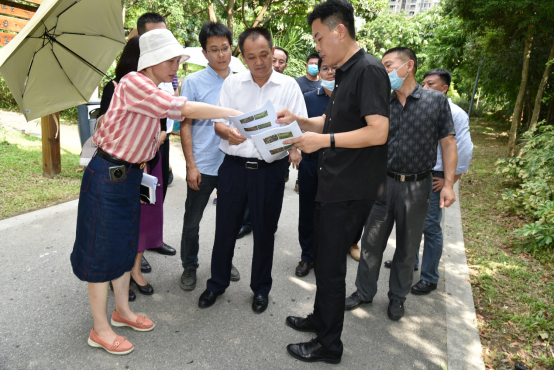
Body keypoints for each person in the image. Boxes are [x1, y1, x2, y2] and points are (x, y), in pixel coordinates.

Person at [70, 28, 240, 355]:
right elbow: (183, 108)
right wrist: (230, 112)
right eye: (172, 59)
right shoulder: (135, 82)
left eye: (178, 59)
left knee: (123, 247)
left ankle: (121, 311)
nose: (177, 64)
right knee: (102, 250)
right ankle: (99, 328)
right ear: (151, 60)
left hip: (128, 177)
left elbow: (148, 133)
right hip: (108, 175)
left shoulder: (152, 86)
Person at [276, 0, 390, 363]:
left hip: (349, 189)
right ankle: (320, 319)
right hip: (333, 184)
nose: (318, 47)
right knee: (324, 262)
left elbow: (378, 132)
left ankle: (329, 345)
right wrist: (301, 120)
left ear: (340, 30)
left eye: (319, 37)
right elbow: (336, 123)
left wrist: (322, 142)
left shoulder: (369, 70)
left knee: (330, 269)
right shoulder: (344, 70)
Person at [198, 27, 307, 314]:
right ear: (242, 57)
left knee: (264, 231)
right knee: (225, 229)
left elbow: (300, 128)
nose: (259, 62)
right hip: (233, 169)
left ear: (273, 52)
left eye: (264, 55)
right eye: (251, 57)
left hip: (269, 171)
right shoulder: (233, 84)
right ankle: (216, 283)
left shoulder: (289, 87)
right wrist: (226, 132)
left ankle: (261, 289)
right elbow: (219, 122)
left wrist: (290, 137)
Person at [345, 48, 457, 322]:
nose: (384, 71)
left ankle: (397, 298)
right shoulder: (380, 101)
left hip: (418, 187)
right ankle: (363, 292)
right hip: (383, 182)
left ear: (409, 66)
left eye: (388, 65)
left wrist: (449, 184)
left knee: (407, 248)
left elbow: (448, 143)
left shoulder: (436, 101)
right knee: (371, 244)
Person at [387, 68, 472, 295]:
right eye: (423, 83)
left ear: (444, 88)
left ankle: (429, 276)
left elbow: (462, 151)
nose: (425, 88)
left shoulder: (456, 113)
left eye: (431, 84)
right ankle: (410, 262)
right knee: (409, 224)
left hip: (434, 177)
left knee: (430, 227)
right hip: (411, 177)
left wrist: (448, 182)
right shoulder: (414, 104)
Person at [179, 21, 240, 292]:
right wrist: (190, 166)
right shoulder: (193, 82)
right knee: (192, 221)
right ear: (204, 53)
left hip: (233, 165)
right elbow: (185, 125)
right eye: (213, 49)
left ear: (231, 48)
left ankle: (223, 262)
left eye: (224, 48)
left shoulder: (242, 82)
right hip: (203, 165)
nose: (220, 54)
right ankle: (189, 265)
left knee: (228, 222)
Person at [98, 36, 142, 302]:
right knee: (110, 231)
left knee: (131, 227)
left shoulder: (152, 90)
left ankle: (127, 278)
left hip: (141, 167)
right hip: (114, 168)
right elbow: (102, 128)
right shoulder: (113, 88)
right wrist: (115, 106)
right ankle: (111, 281)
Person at [137, 12, 177, 263]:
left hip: (162, 140)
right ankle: (135, 254)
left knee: (156, 193)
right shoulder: (135, 76)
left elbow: (170, 104)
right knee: (139, 198)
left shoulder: (167, 71)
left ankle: (153, 239)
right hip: (141, 148)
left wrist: (165, 133)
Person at [294, 57, 337, 278]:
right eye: (325, 68)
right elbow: (295, 126)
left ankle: (326, 257)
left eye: (334, 68)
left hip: (337, 167)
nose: (330, 72)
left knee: (331, 214)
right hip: (310, 164)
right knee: (307, 212)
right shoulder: (308, 98)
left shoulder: (348, 101)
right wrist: (294, 149)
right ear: (319, 72)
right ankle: (307, 256)